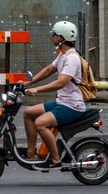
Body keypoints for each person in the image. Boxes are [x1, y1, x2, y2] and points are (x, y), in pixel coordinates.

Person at [19, 21, 86, 170]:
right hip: (62, 102)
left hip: (72, 106)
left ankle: (55, 160)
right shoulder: (63, 56)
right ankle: (31, 153)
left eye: (54, 35)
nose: (52, 37)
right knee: (28, 113)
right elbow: (49, 70)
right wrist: (28, 83)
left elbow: (60, 83)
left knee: (40, 123)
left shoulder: (72, 58)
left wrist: (37, 90)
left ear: (61, 38)